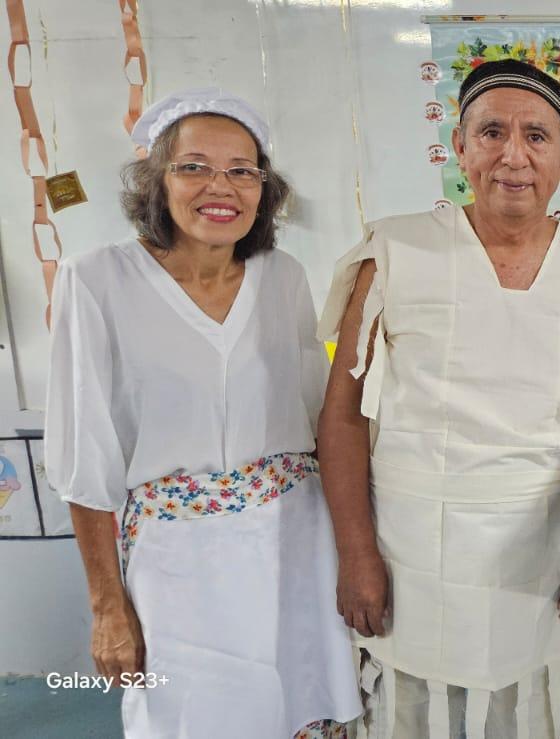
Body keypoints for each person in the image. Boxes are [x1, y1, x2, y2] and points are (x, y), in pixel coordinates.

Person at [316, 58, 560, 738]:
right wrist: (356, 552)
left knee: (533, 713)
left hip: (542, 551)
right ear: (458, 147)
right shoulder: (395, 252)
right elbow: (340, 416)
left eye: (536, 136)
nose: (513, 155)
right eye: (491, 132)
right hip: (410, 554)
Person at [45, 88, 360, 738]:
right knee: (191, 716)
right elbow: (84, 462)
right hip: (178, 562)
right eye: (193, 166)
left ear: (263, 188)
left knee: (301, 706)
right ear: (155, 180)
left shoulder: (284, 277)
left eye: (242, 169)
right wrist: (107, 603)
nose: (221, 186)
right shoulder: (96, 281)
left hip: (295, 546)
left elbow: (321, 425)